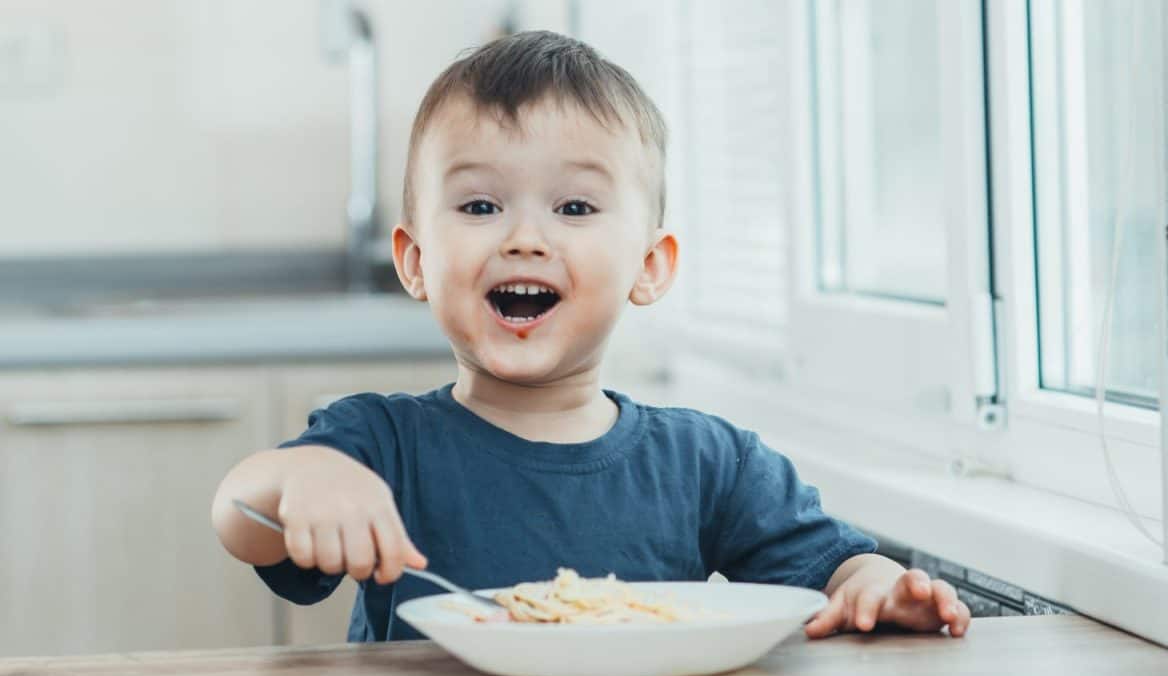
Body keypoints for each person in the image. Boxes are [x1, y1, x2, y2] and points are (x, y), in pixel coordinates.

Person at [211, 30, 971, 642]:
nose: (525, 238)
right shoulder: (379, 443)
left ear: (648, 265)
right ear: (414, 260)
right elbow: (241, 517)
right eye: (479, 207)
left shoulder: (710, 463)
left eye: (574, 208)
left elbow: (834, 571)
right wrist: (304, 479)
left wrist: (874, 589)